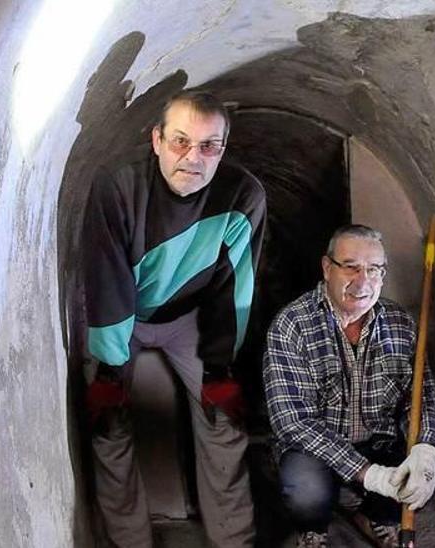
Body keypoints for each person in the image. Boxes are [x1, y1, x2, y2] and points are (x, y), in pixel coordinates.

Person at [82, 90, 263, 547]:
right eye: (181, 141)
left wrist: (220, 368)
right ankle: (130, 541)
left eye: (209, 146)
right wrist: (109, 368)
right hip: (123, 314)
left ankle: (233, 540)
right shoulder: (119, 187)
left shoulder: (242, 196)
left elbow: (234, 287)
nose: (193, 157)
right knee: (109, 423)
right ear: (157, 140)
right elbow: (107, 279)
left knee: (225, 421)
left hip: (190, 315)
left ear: (222, 150)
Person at [263, 224, 435, 548]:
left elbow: (421, 398)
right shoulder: (291, 325)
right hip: (318, 451)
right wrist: (370, 474)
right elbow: (294, 422)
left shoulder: (400, 323)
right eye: (351, 267)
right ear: (327, 268)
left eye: (374, 270)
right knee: (306, 490)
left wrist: (424, 451)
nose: (363, 281)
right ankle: (314, 528)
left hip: (380, 443)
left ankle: (377, 515)